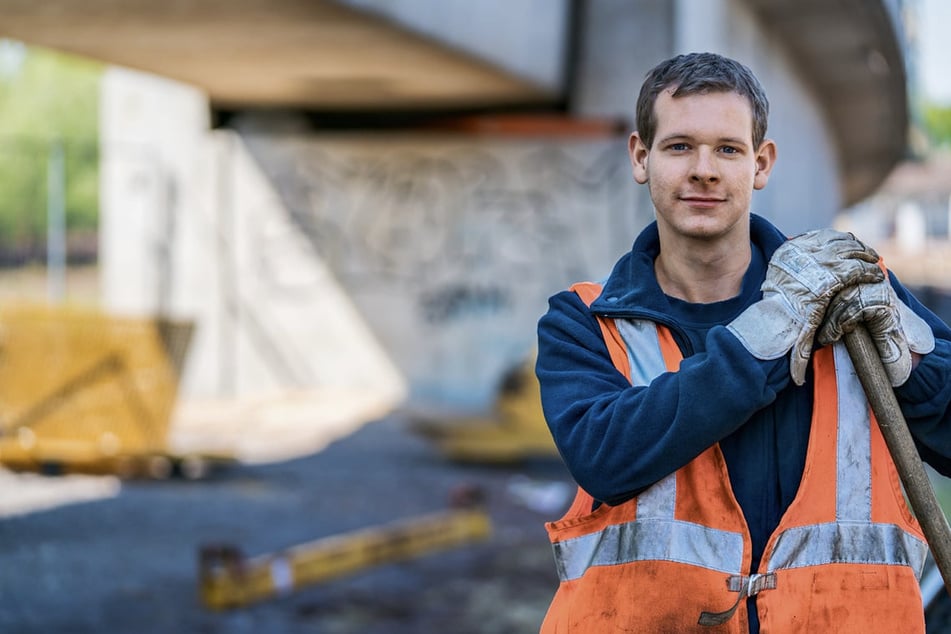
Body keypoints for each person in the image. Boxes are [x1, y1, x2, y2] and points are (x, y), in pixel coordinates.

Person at [535, 51, 951, 633]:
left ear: (761, 163)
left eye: (728, 149)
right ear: (640, 157)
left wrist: (914, 360)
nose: (704, 169)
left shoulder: (855, 289)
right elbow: (607, 456)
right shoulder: (585, 320)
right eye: (680, 146)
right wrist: (769, 333)